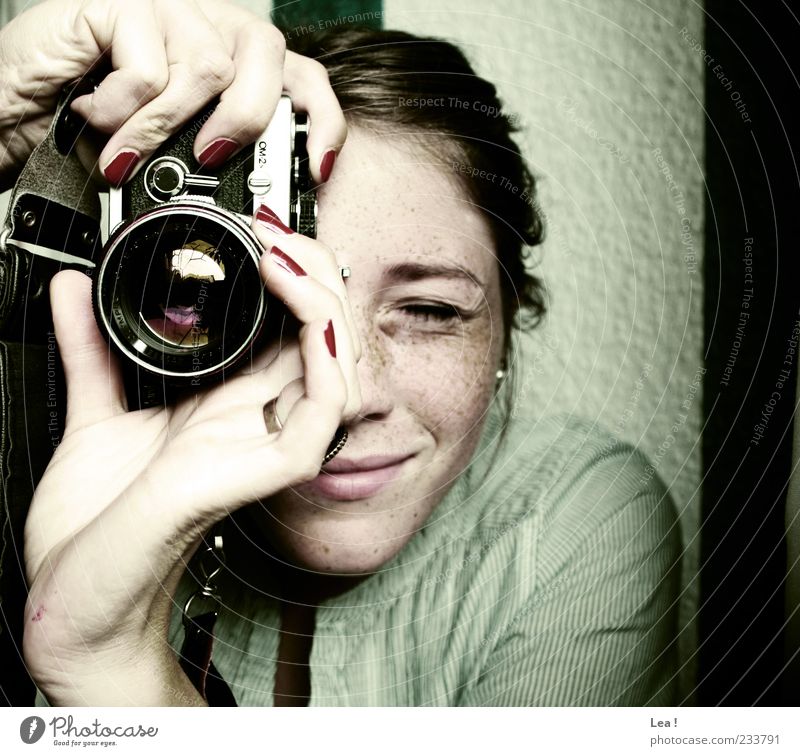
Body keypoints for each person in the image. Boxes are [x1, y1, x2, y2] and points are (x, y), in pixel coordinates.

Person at [0, 0, 681, 707]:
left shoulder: (570, 524)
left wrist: (115, 670)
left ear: (509, 321)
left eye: (430, 311)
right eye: (274, 304)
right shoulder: (82, 481)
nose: (346, 399)